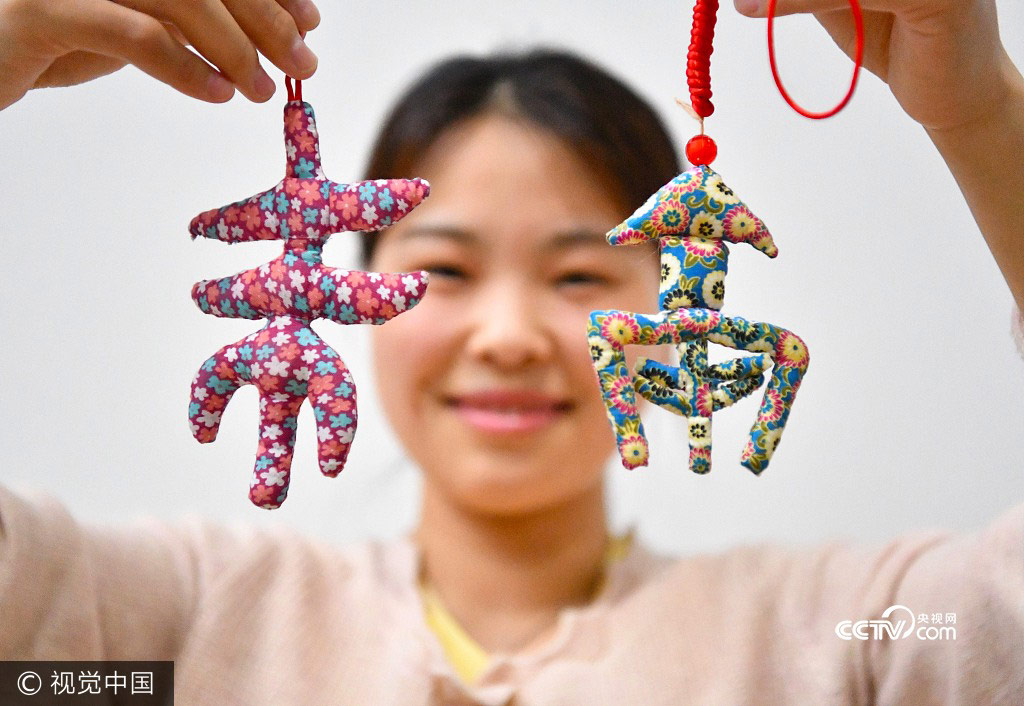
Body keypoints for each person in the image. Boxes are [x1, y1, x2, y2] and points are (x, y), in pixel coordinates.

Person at [1, 0, 1022, 704]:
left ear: (663, 296)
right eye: (442, 270)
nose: (509, 336)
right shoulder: (160, 638)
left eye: (578, 275)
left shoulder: (849, 643)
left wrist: (983, 115)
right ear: (369, 292)